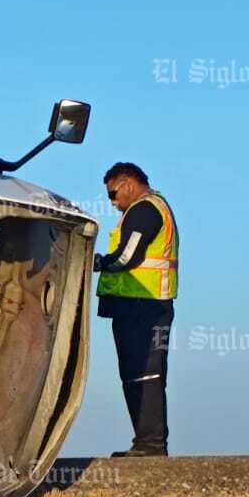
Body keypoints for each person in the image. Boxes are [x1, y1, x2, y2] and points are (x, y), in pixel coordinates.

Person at [94, 161, 178, 456]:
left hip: (144, 307)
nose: (112, 202)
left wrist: (98, 262)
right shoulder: (148, 209)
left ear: (128, 184)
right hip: (140, 306)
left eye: (113, 194)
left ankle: (151, 445)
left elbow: (126, 257)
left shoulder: (144, 210)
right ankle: (145, 444)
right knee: (135, 375)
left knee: (146, 375)